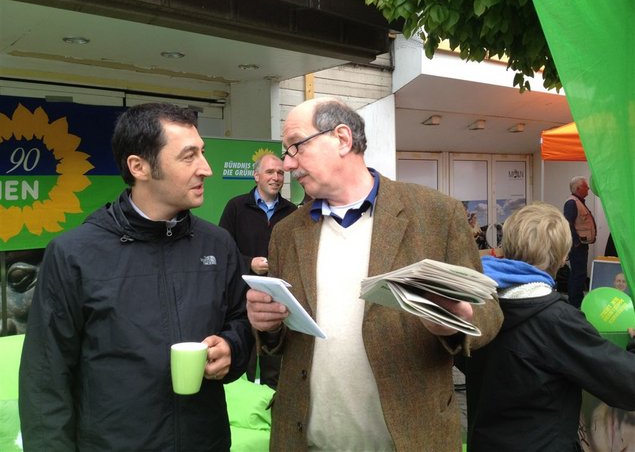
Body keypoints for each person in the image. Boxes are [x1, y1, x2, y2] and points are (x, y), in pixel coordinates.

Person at [246, 97, 503, 451]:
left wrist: (458, 319)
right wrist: (267, 324)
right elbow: (282, 338)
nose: (288, 164)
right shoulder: (287, 232)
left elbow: (490, 311)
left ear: (342, 139)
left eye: (296, 146)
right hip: (307, 441)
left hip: (410, 440)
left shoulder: (435, 214)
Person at [18, 102, 253, 451]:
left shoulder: (218, 244)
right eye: (189, 156)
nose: (206, 168)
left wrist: (232, 347)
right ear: (139, 166)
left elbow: (241, 321)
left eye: (202, 153)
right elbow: (44, 379)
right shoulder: (73, 254)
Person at [465, 202, 635, 452]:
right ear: (563, 256)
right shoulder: (558, 321)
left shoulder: (475, 308)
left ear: (506, 247)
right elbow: (628, 384)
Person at [219, 152, 296, 388]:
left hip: (277, 300)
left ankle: (272, 406)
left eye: (280, 173)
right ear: (256, 176)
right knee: (244, 361)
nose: (276, 177)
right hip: (242, 297)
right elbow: (223, 251)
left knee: (275, 365)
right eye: (270, 172)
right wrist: (249, 263)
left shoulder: (292, 211)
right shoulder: (236, 207)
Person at [564, 176, 597, 308]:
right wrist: (576, 242)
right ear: (578, 188)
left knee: (579, 273)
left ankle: (577, 300)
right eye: (585, 186)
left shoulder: (578, 202)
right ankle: (575, 303)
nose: (588, 188)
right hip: (577, 246)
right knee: (578, 274)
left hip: (580, 245)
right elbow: (567, 224)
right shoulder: (572, 203)